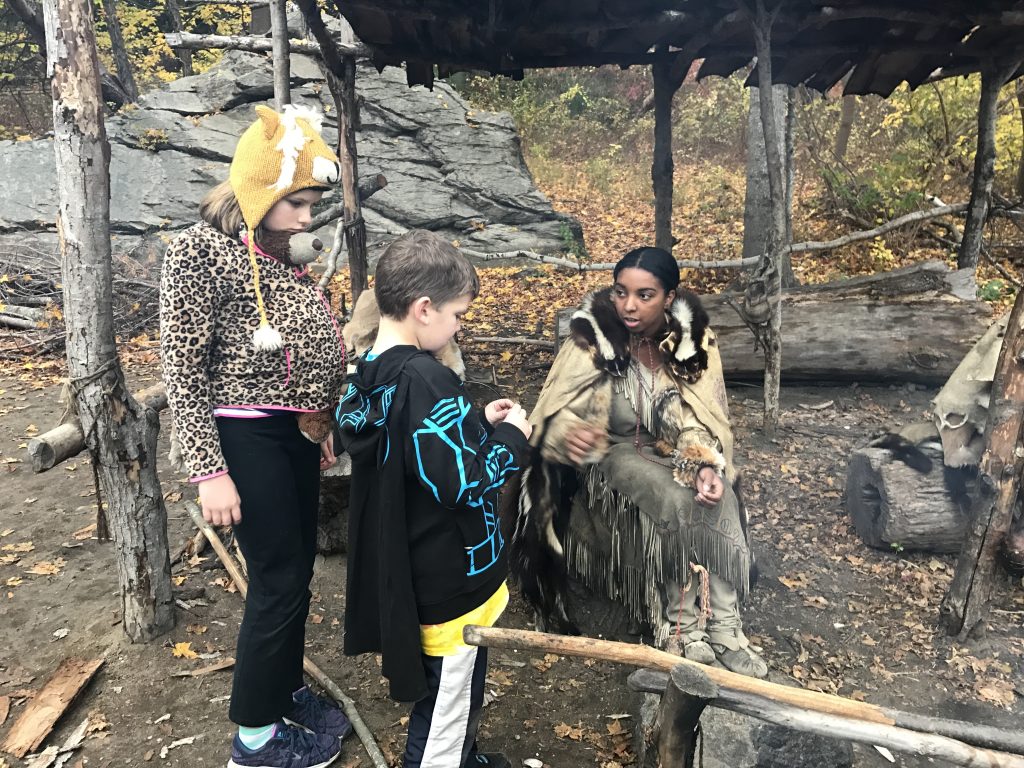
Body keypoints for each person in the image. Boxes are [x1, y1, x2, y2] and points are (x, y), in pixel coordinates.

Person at [160, 104, 352, 768]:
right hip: (243, 440)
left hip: (291, 434)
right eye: (295, 201)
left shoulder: (273, 255)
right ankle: (254, 742)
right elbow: (183, 367)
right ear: (259, 190)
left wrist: (318, 420)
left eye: (311, 202)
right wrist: (207, 469)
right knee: (278, 577)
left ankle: (285, 688)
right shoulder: (198, 251)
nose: (306, 216)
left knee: (296, 573)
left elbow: (298, 355)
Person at [510, 246, 767, 678]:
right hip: (610, 451)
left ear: (669, 298)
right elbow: (558, 411)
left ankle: (725, 626)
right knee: (671, 497)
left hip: (672, 448)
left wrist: (702, 464)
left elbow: (698, 417)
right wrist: (573, 431)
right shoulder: (592, 336)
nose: (629, 305)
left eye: (645, 295)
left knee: (714, 495)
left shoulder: (692, 342)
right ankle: (681, 628)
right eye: (621, 292)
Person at [336, 230, 532, 768]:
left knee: (452, 687)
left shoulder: (369, 373)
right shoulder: (428, 377)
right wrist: (514, 438)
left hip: (411, 567)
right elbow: (460, 483)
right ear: (424, 309)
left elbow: (413, 450)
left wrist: (475, 421)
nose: (459, 325)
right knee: (448, 702)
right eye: (458, 314)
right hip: (451, 579)